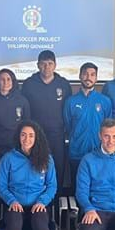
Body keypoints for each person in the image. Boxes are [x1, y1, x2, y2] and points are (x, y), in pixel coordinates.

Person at [22, 50, 73, 195]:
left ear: (55, 65)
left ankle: (57, 204)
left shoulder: (63, 84)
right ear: (38, 65)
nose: (47, 67)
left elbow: (67, 110)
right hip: (35, 136)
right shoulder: (28, 84)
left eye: (50, 64)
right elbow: (24, 110)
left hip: (57, 135)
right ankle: (38, 205)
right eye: (43, 64)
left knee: (57, 168)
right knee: (34, 169)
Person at [0, 121, 57, 230]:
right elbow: (1, 186)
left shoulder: (47, 159)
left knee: (41, 227)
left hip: (38, 206)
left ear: (36, 138)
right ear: (18, 137)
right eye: (23, 134)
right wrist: (12, 201)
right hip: (15, 206)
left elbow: (52, 186)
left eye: (31, 135)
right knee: (14, 227)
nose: (26, 139)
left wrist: (42, 202)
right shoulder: (8, 158)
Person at [0, 68, 31, 185]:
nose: (6, 82)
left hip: (16, 148)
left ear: (13, 82)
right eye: (2, 79)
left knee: (15, 181)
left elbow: (27, 124)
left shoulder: (22, 101)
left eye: (8, 79)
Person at [63, 62, 112, 183]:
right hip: (77, 152)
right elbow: (68, 125)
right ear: (80, 76)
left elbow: (108, 127)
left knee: (97, 187)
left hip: (98, 153)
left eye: (92, 74)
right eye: (85, 74)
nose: (88, 77)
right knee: (77, 187)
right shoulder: (71, 102)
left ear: (96, 78)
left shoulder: (105, 101)